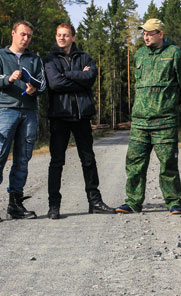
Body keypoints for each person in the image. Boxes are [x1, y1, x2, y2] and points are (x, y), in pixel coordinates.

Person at [116, 18, 181, 215]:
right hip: (140, 121)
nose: (146, 36)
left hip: (165, 120)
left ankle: (173, 202)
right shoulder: (140, 54)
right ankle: (133, 202)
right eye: (144, 33)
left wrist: (171, 103)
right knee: (134, 164)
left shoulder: (173, 53)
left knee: (168, 163)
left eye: (150, 33)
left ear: (160, 34)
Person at [43, 23, 116, 219]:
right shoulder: (50, 59)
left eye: (66, 35)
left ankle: (95, 202)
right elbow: (55, 83)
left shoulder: (85, 57)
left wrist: (67, 75)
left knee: (88, 159)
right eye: (59, 35)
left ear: (73, 37)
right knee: (57, 162)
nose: (62, 38)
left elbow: (90, 77)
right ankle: (53, 206)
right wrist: (78, 78)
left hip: (82, 116)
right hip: (59, 116)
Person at [0, 21, 47, 222]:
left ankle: (15, 205)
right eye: (23, 34)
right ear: (13, 33)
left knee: (23, 160)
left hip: (29, 112)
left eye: (29, 36)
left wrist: (35, 88)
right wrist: (9, 78)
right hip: (5, 111)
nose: (26, 39)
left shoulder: (34, 59)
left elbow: (42, 83)